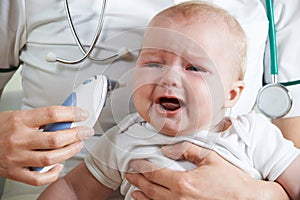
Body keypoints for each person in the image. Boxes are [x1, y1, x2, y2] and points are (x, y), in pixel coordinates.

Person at [0, 0, 300, 199]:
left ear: (233, 94)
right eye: (153, 63)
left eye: (194, 68)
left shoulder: (252, 136)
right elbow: (74, 189)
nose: (169, 78)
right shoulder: (126, 137)